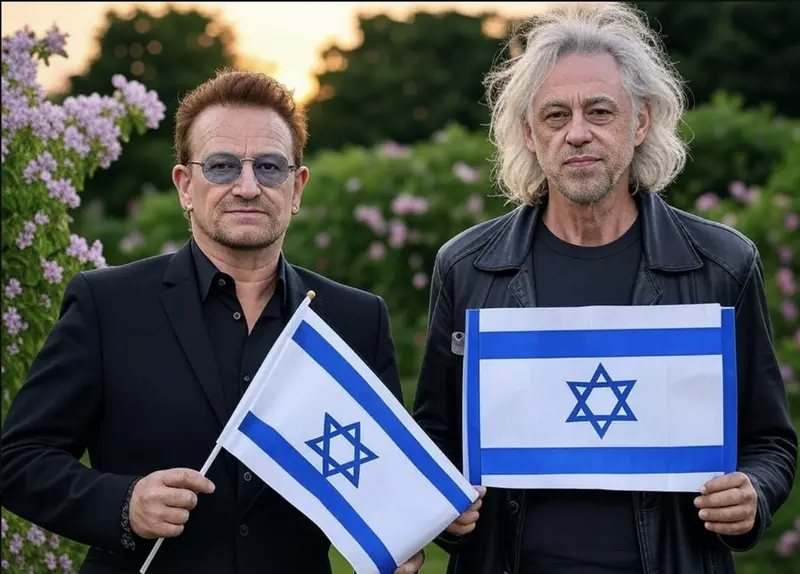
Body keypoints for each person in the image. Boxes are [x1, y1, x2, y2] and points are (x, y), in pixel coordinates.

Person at [412, 3, 797, 574]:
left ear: (640, 122)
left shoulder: (722, 264)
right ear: (528, 133)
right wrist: (441, 504)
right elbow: (436, 439)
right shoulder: (468, 267)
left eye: (599, 111)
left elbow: (771, 443)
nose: (577, 133)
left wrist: (752, 495)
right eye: (554, 115)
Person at [0, 69, 425, 574]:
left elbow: (382, 483)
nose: (247, 186)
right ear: (185, 184)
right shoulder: (107, 305)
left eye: (270, 167)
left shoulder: (355, 318)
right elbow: (19, 459)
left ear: (297, 188)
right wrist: (124, 502)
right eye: (222, 166)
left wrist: (402, 540)